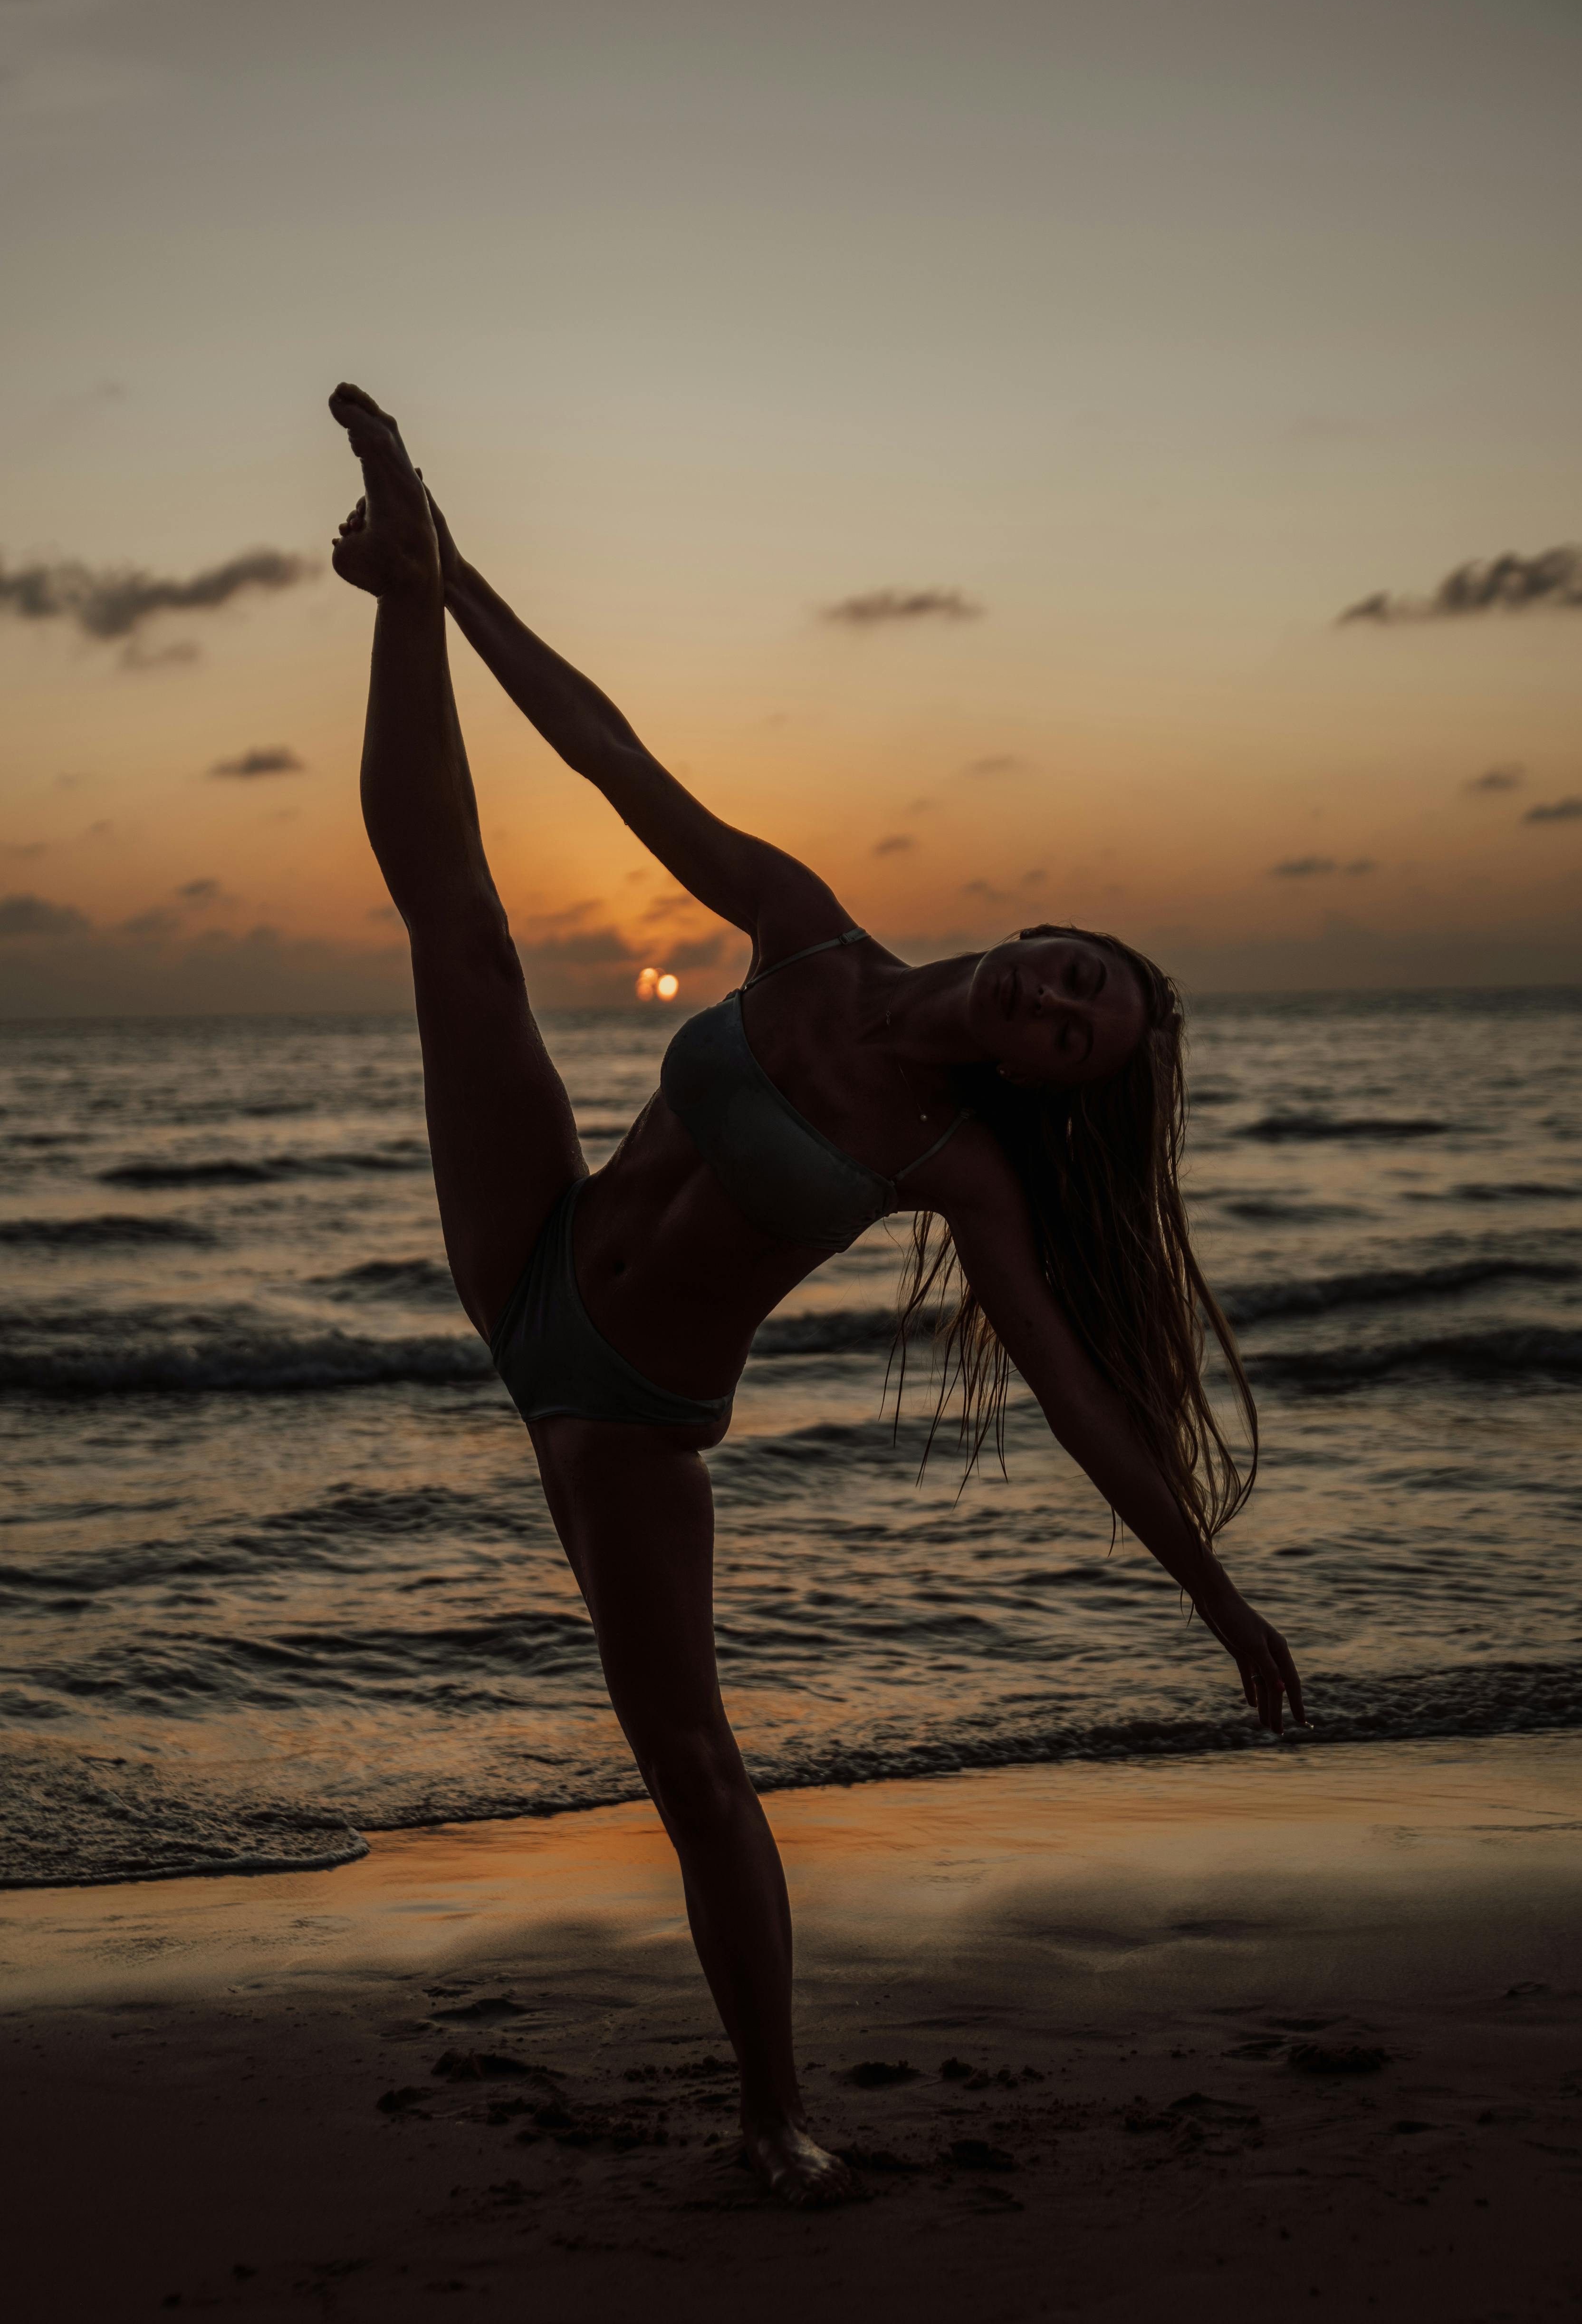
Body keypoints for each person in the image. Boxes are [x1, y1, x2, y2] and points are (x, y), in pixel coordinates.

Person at [326, 380, 1306, 2207]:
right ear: (1040, 931)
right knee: (459, 934)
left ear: (1051, 1084)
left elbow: (1083, 1398)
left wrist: (1213, 1595)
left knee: (692, 1767)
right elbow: (614, 762)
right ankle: (399, 564)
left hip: (615, 1408)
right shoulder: (806, 933)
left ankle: (774, 2113)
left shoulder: (955, 1159)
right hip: (530, 1242)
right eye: (1073, 974)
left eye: (1081, 1038)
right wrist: (459, 594)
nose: (1058, 1005)